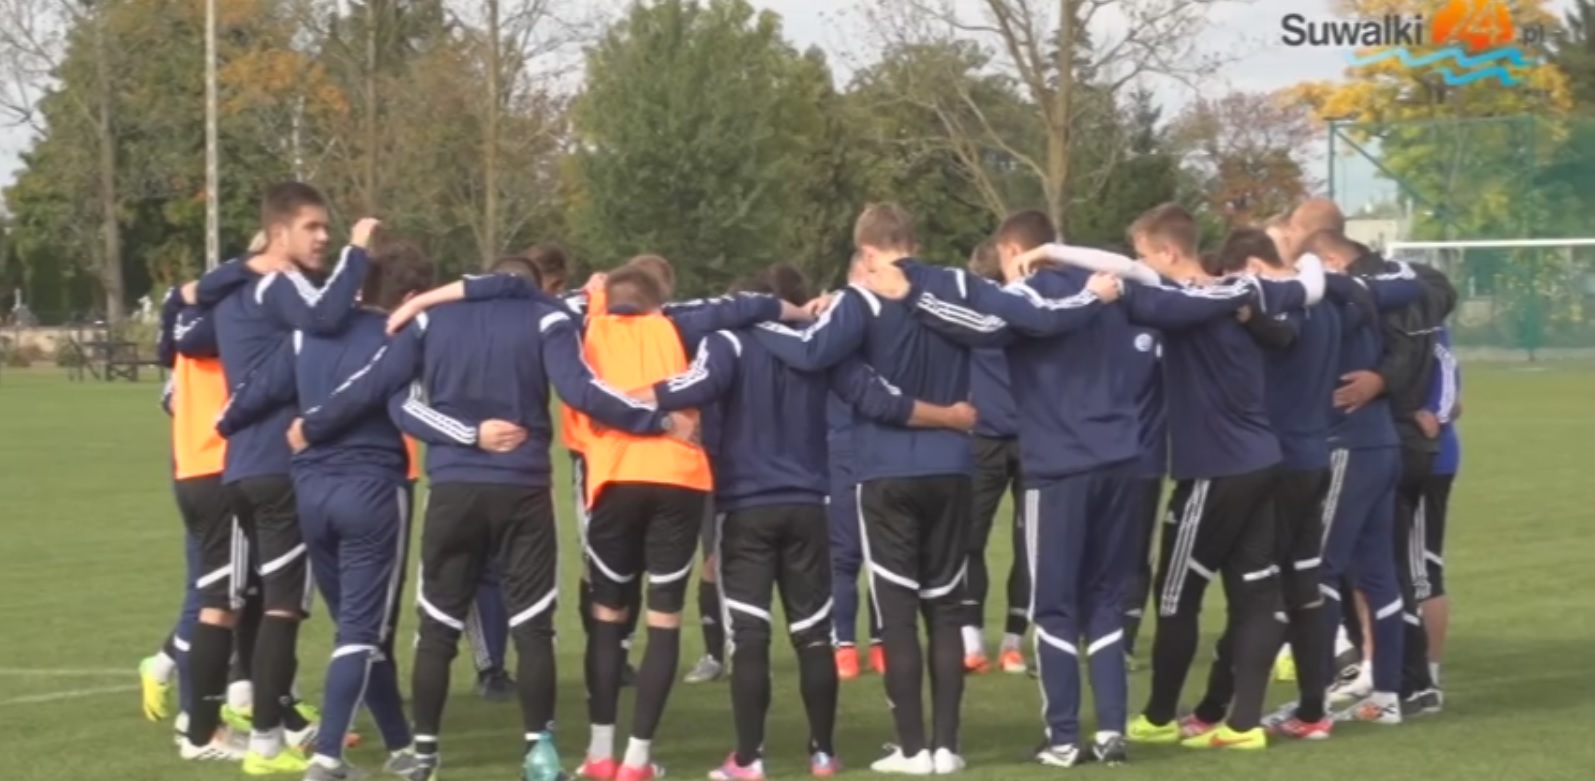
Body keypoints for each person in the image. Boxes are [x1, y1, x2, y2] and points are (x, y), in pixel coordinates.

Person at [304, 255, 690, 781]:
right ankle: (539, 753)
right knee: (533, 627)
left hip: (454, 488)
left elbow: (391, 397)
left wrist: (315, 424)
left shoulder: (431, 319)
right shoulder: (545, 317)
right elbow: (581, 390)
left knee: (438, 625)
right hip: (523, 489)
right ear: (531, 285)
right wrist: (657, 421)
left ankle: (424, 754)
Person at [637, 264, 980, 780]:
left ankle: (749, 760)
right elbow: (878, 398)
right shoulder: (819, 351)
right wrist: (948, 416)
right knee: (814, 635)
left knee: (750, 636)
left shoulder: (727, 342)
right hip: (809, 506)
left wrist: (623, 396)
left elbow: (689, 385)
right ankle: (822, 753)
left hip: (745, 507)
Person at [1031, 204, 1323, 752]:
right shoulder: (1240, 292)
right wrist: (1308, 257)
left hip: (1214, 467)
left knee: (1175, 595)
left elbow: (1122, 273)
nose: (1139, 262)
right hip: (1264, 459)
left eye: (1145, 252)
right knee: (1255, 593)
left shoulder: (1173, 303)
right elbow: (1310, 288)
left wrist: (1050, 251)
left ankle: (1160, 715)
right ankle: (1243, 725)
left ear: (1166, 252)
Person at [863, 209, 1146, 767]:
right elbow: (1141, 277)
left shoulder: (1030, 297)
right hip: (1123, 461)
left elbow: (981, 324)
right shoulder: (1110, 288)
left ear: (1013, 252)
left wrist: (912, 292)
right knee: (1107, 600)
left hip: (1061, 466)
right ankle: (1113, 730)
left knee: (1055, 606)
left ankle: (1064, 737)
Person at [753, 203, 990, 774]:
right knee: (947, 609)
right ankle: (948, 746)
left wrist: (760, 321)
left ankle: (912, 749)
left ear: (865, 251)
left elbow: (812, 353)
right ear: (913, 242)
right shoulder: (948, 290)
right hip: (953, 466)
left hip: (886, 470)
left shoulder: (861, 300)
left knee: (898, 612)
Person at [214, 244, 441, 781]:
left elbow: (244, 401)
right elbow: (406, 407)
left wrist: (227, 422)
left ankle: (400, 745)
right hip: (371, 487)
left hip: (311, 492)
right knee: (363, 630)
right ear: (410, 296)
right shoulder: (401, 335)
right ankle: (328, 758)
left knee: (355, 628)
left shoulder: (305, 337)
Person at [190, 186, 373, 773]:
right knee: (283, 609)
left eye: (328, 228)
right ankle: (267, 744)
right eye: (312, 227)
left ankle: (249, 718)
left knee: (255, 603)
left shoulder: (235, 295)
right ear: (278, 234)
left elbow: (188, 331)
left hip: (242, 466)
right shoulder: (281, 283)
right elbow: (326, 318)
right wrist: (357, 253)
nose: (323, 237)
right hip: (281, 464)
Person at [1183, 229, 1341, 741]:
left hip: (1275, 462)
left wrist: (1248, 315)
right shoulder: (1326, 303)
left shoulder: (1275, 304)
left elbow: (1281, 336)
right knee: (1302, 589)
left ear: (1251, 267)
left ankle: (1221, 712)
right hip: (1315, 457)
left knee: (1253, 594)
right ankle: (1312, 712)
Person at [152, 274, 246, 760]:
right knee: (216, 601)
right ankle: (198, 723)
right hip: (215, 471)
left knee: (217, 595)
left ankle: (210, 710)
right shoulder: (223, 333)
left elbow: (168, 397)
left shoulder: (190, 331)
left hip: (191, 469)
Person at [961, 241, 1029, 676]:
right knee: (1026, 544)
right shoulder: (1027, 309)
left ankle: (975, 645)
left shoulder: (970, 312)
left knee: (972, 541)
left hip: (990, 437)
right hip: (1024, 437)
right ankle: (1011, 645)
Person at [1416, 325, 1460, 689]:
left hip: (1428, 463)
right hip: (1391, 459)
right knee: (1370, 568)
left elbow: (1448, 405)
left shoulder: (1430, 332)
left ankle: (1428, 675)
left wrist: (1434, 412)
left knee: (1424, 567)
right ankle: (1369, 665)